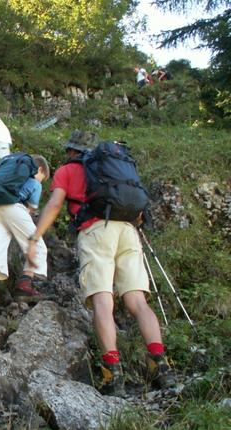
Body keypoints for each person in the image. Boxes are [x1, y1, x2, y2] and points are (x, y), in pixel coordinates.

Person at [26, 131, 176, 396]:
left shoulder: (68, 170)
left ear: (72, 150)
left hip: (96, 233)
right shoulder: (114, 170)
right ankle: (161, 365)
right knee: (138, 302)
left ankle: (112, 372)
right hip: (128, 231)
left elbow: (55, 204)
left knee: (102, 301)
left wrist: (36, 236)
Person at [0, 155, 50, 316]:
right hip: (13, 207)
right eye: (43, 178)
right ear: (39, 169)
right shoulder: (34, 182)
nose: (41, 181)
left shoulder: (6, 177)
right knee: (38, 245)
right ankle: (24, 286)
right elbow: (31, 209)